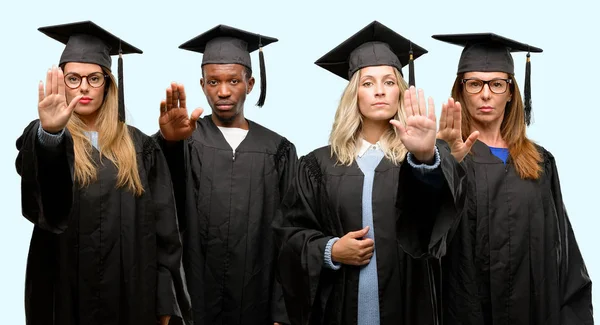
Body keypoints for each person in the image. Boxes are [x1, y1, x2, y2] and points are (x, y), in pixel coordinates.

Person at [273, 21, 466, 325]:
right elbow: (290, 235)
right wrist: (331, 250)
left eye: (389, 82)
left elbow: (439, 229)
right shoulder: (319, 165)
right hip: (339, 309)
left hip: (408, 310)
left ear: (401, 92)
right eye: (368, 83)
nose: (379, 91)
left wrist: (426, 157)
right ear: (354, 95)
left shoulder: (420, 157)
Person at [15, 21, 192, 325]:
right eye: (73, 78)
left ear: (108, 84)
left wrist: (165, 304)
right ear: (62, 82)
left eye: (93, 78)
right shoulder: (44, 139)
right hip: (63, 296)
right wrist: (52, 134)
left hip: (132, 299)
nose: (83, 86)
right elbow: (39, 201)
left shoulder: (141, 148)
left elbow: (166, 233)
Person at [432, 32, 593, 325]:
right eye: (474, 84)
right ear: (460, 90)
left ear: (511, 91)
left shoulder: (540, 162)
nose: (485, 94)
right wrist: (440, 162)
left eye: (496, 83)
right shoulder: (443, 161)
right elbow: (424, 238)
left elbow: (563, 255)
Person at [153, 24, 297, 325]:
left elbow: (290, 236)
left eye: (233, 80)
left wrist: (282, 314)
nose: (223, 91)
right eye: (213, 81)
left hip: (257, 304)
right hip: (194, 299)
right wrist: (169, 143)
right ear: (202, 84)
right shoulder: (185, 140)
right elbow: (163, 213)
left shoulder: (278, 150)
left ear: (250, 83)